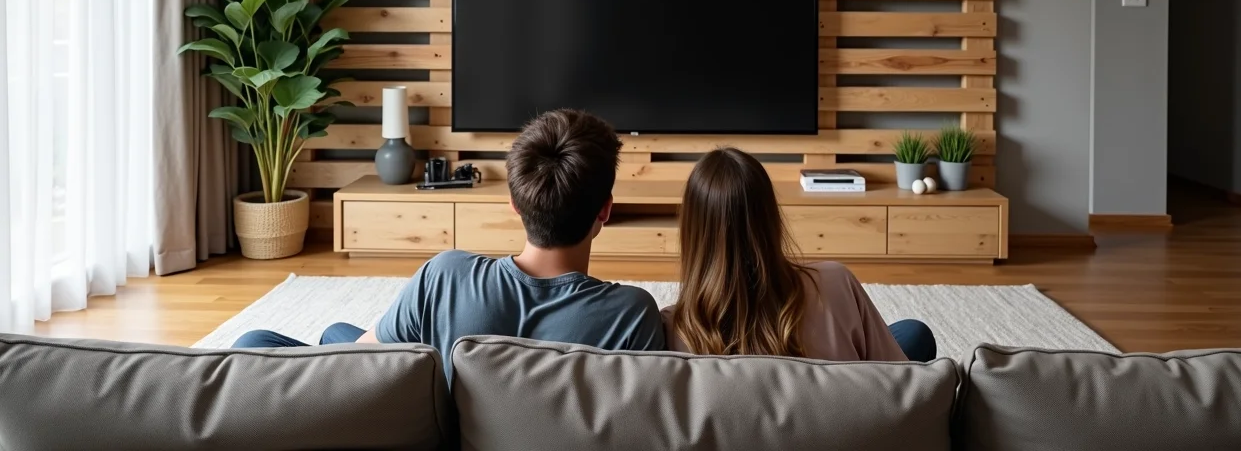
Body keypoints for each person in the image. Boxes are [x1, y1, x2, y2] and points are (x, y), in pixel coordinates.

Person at [232, 109, 666, 373]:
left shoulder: (446, 275)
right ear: (604, 211)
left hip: (434, 415)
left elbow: (364, 365)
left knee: (257, 343)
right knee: (335, 331)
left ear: (514, 204)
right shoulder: (631, 315)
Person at [662, 147, 936, 362]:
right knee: (915, 334)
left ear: (692, 233)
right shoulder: (833, 282)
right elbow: (901, 383)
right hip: (842, 426)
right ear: (770, 219)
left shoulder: (671, 330)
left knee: (911, 332)